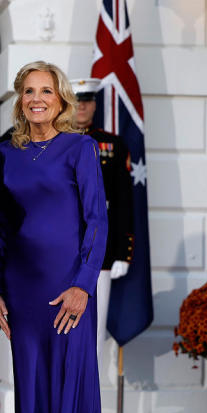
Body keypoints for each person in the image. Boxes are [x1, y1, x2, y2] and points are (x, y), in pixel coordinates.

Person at [0, 61, 107, 413]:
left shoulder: (79, 147)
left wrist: (83, 284)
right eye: (29, 91)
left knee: (75, 391)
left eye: (47, 91)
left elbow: (96, 220)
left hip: (69, 288)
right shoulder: (2, 154)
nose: (37, 98)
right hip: (21, 290)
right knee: (32, 392)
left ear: (61, 100)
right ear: (20, 99)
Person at [71, 77, 134, 385]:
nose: (83, 106)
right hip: (59, 246)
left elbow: (123, 201)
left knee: (93, 329)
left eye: (88, 101)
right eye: (78, 100)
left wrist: (124, 251)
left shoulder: (112, 144)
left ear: (95, 105)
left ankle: (86, 397)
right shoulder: (53, 139)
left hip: (100, 248)